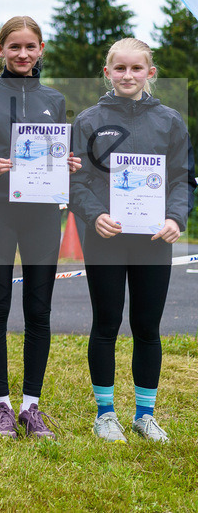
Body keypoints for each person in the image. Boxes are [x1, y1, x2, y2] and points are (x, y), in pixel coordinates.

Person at [70, 37, 194, 444]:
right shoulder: (89, 119)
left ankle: (145, 415)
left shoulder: (171, 120)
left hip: (155, 238)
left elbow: (181, 179)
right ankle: (105, 415)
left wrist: (176, 217)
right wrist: (94, 215)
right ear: (107, 72)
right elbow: (78, 180)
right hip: (106, 235)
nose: (128, 75)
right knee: (106, 323)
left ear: (150, 73)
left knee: (147, 326)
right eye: (119, 68)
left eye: (136, 68)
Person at [0, 16, 82, 439]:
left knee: (39, 310)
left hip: (42, 215)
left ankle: (32, 407)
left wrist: (68, 164)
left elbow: (61, 156)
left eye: (31, 46)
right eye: (14, 46)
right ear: (1, 50)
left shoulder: (54, 97)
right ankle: (2, 406)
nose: (23, 54)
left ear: (42, 49)